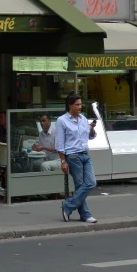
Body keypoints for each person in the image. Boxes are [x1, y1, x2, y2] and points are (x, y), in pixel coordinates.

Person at [56, 92, 98, 224]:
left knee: (91, 182)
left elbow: (91, 136)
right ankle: (85, 215)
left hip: (85, 154)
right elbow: (59, 143)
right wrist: (63, 161)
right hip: (73, 156)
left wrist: (91, 128)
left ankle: (68, 205)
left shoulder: (83, 119)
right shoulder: (62, 120)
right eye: (77, 104)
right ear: (70, 105)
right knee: (80, 185)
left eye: (81, 104)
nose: (80, 107)